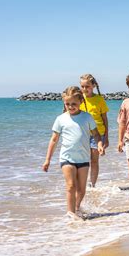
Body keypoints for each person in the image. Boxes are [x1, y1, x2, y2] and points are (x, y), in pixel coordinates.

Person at [42, 86, 104, 219]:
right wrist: (47, 159)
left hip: (83, 159)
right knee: (71, 186)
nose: (70, 106)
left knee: (81, 190)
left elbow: (96, 134)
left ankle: (76, 208)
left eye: (74, 104)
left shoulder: (87, 117)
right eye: (67, 104)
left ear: (81, 101)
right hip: (67, 158)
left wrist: (99, 144)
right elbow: (54, 140)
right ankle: (70, 214)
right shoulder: (61, 119)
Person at [79, 74, 109, 187]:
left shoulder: (99, 99)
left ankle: (92, 184)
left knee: (94, 160)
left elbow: (105, 119)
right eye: (82, 86)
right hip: (82, 134)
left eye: (87, 86)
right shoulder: (79, 99)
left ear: (94, 86)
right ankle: (81, 182)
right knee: (82, 160)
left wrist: (106, 137)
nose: (85, 89)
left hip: (98, 134)